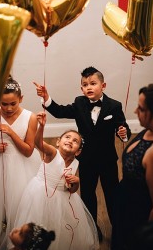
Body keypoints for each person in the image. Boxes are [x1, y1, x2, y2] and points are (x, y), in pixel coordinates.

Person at [33, 66, 131, 240]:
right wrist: (46, 97)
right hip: (86, 159)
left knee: (112, 194)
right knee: (87, 195)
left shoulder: (114, 106)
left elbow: (122, 126)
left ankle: (119, 228)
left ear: (103, 85)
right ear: (81, 88)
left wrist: (123, 133)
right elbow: (60, 111)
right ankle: (93, 230)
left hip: (108, 159)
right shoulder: (79, 103)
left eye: (93, 83)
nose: (89, 87)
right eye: (85, 85)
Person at [11, 111, 100, 250]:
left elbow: (71, 190)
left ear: (78, 152)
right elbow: (38, 143)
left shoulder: (76, 163)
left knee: (59, 228)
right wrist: (42, 126)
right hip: (40, 194)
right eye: (67, 137)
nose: (70, 141)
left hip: (63, 200)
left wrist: (76, 182)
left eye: (75, 141)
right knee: (38, 222)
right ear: (58, 141)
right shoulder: (53, 153)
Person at [0, 75, 41, 250]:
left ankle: (20, 245)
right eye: (4, 104)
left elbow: (28, 151)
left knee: (20, 204)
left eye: (13, 103)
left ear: (21, 99)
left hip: (22, 168)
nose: (8, 108)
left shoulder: (30, 117)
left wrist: (11, 133)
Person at [110, 83, 153, 250]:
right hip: (127, 207)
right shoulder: (150, 130)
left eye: (141, 108)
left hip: (139, 217)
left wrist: (145, 243)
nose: (136, 111)